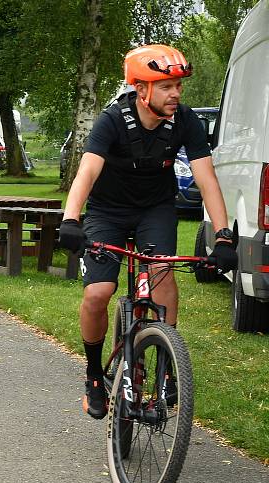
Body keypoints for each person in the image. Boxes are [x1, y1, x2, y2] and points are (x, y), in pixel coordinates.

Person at [58, 44, 238, 419]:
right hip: (108, 212)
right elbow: (87, 171)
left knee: (161, 271)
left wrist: (222, 236)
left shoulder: (184, 121)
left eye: (178, 86)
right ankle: (94, 374)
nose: (175, 94)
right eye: (166, 86)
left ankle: (166, 365)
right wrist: (71, 220)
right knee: (98, 293)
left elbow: (207, 180)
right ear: (142, 90)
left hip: (154, 210)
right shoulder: (113, 120)